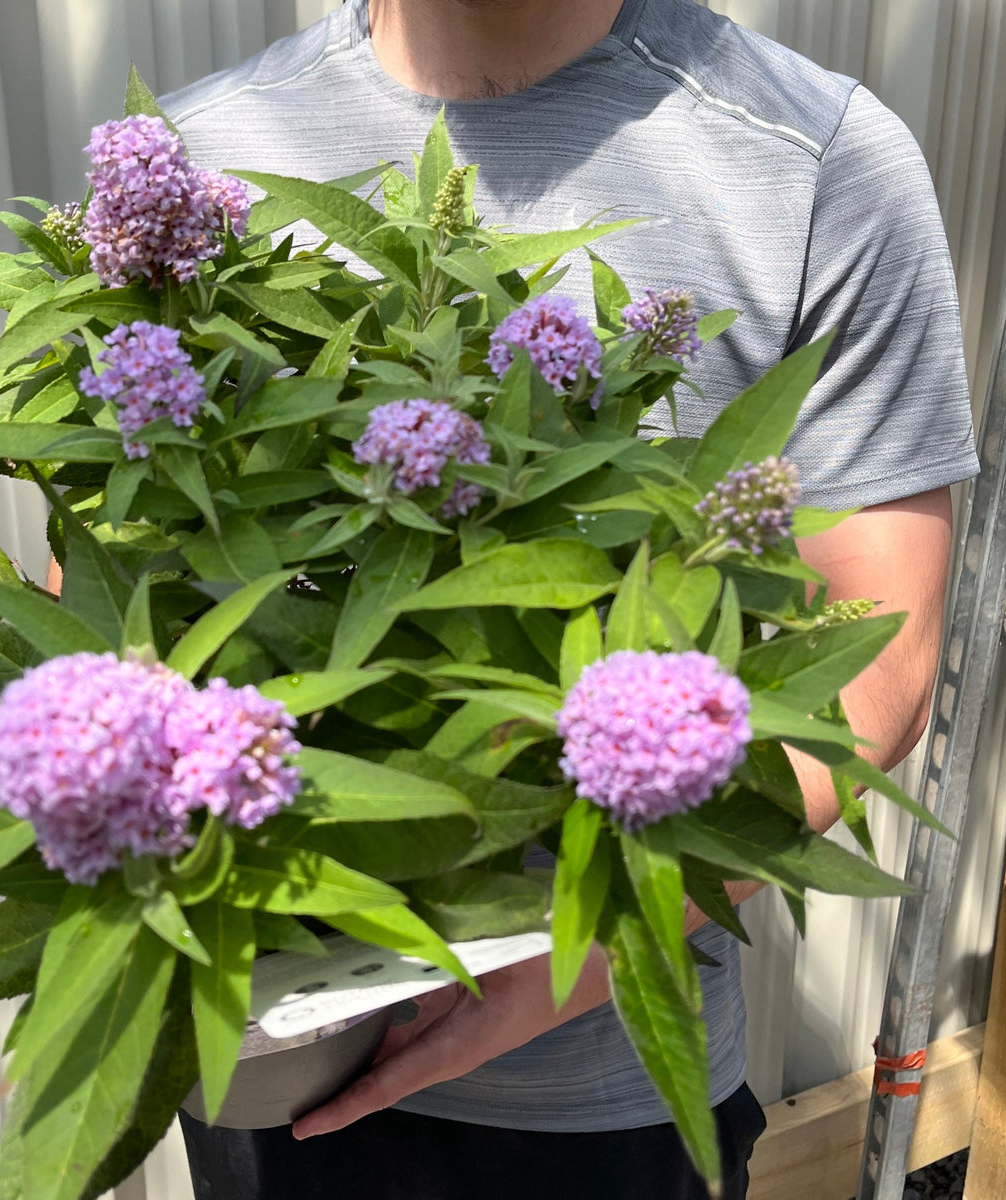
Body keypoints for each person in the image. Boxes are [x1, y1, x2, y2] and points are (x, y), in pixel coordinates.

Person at [160, 1, 980, 1196]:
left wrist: (568, 953)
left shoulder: (822, 161)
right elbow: (124, 601)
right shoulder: (200, 153)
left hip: (600, 1107)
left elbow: (875, 665)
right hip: (261, 1056)